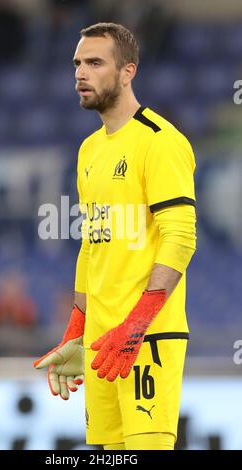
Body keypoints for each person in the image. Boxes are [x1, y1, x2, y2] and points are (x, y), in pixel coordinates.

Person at [34, 22, 196, 451]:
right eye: (76, 64)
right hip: (102, 345)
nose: (80, 74)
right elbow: (93, 243)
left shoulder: (161, 142)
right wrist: (78, 330)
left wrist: (138, 323)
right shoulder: (90, 150)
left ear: (128, 71)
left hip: (148, 339)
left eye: (94, 63)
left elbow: (180, 236)